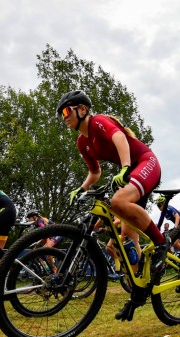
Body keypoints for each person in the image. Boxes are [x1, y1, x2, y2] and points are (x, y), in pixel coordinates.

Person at [57, 90, 165, 322]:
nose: (64, 116)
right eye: (61, 114)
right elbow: (95, 172)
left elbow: (120, 139)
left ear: (82, 109)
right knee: (125, 243)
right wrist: (82, 188)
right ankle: (138, 294)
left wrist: (125, 168)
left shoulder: (98, 122)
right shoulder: (82, 142)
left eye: (66, 111)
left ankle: (162, 245)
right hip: (130, 174)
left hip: (145, 163)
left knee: (117, 202)